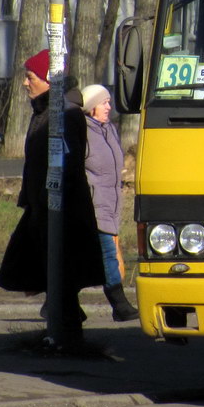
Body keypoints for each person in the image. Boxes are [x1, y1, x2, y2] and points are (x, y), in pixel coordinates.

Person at [0, 50, 106, 346]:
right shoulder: (45, 112)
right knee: (42, 271)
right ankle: (63, 326)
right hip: (42, 207)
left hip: (60, 210)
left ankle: (65, 332)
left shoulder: (65, 114)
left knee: (59, 271)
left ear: (47, 79)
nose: (24, 83)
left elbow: (65, 164)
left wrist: (52, 200)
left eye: (30, 76)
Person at [80, 84, 139, 322]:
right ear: (92, 106)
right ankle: (120, 305)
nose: (108, 106)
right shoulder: (82, 131)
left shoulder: (109, 129)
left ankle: (56, 304)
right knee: (107, 254)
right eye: (104, 102)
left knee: (82, 256)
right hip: (94, 205)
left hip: (110, 203)